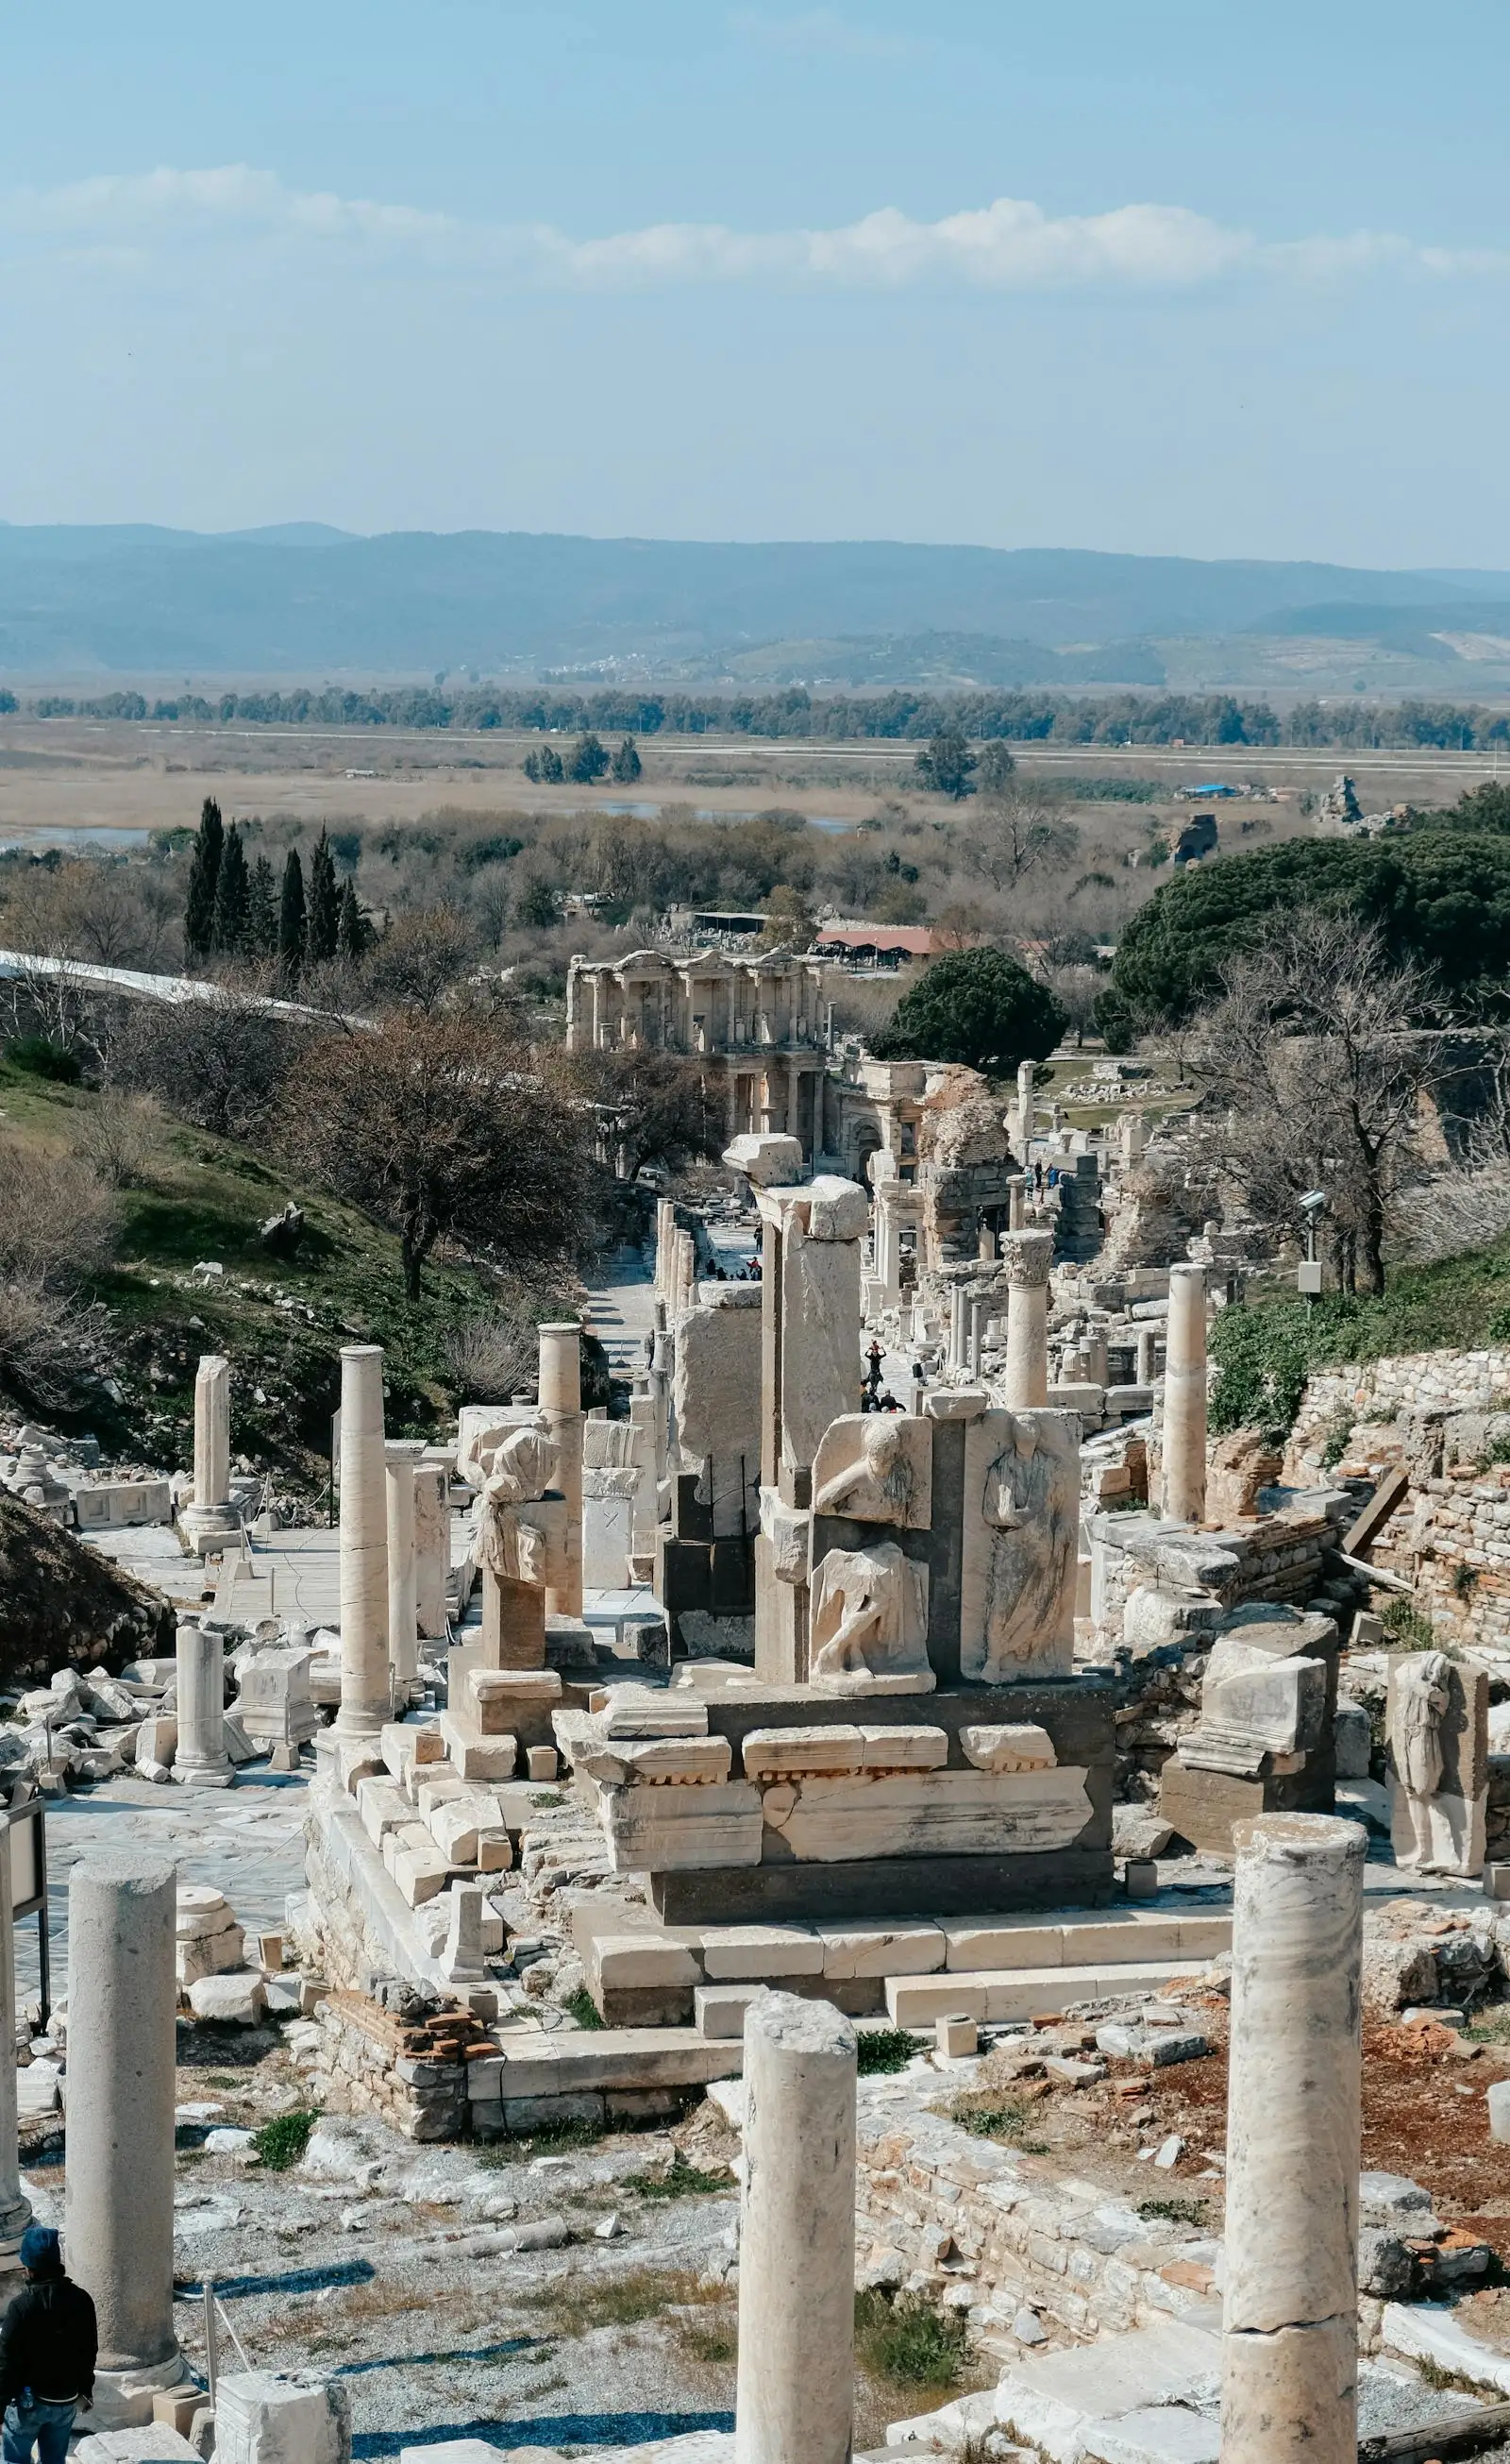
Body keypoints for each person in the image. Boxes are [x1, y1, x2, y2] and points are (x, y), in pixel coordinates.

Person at [0, 2227, 96, 2464]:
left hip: (29, 2403)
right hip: (65, 2400)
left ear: (28, 2267)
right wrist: (85, 2389)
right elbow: (89, 2350)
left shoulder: (20, 2307)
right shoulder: (82, 2299)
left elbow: (6, 2363)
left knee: (14, 2460)